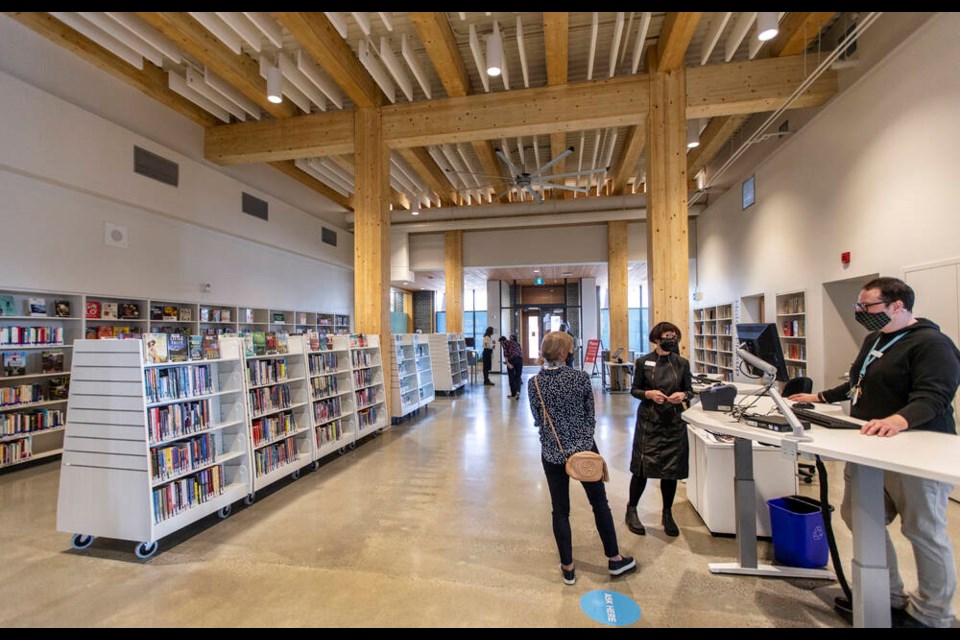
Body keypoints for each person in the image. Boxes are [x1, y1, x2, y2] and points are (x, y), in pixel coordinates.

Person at [788, 277, 960, 629]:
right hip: (867, 447)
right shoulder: (875, 339)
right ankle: (887, 594)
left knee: (922, 530)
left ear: (898, 306)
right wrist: (819, 398)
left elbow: (934, 395)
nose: (861, 313)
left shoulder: (932, 343)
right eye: (859, 306)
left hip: (914, 452)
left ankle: (933, 613)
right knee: (858, 517)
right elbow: (857, 382)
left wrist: (899, 419)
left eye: (868, 307)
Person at [527, 330, 636, 585]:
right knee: (599, 503)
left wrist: (557, 438)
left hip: (552, 452)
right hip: (585, 450)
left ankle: (568, 567)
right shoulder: (580, 378)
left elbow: (537, 418)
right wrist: (582, 440)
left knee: (560, 509)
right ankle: (614, 558)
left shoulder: (534, 383)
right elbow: (590, 415)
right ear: (565, 352)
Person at [625, 321, 694, 538]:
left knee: (671, 470)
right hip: (649, 422)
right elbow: (634, 390)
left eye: (674, 336)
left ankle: (667, 512)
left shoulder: (682, 363)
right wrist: (648, 394)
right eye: (667, 335)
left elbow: (689, 390)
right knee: (642, 467)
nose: (671, 339)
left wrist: (682, 396)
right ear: (657, 338)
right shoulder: (643, 362)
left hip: (674, 422)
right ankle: (632, 509)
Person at [499, 334, 524, 399]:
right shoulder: (515, 342)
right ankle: (518, 392)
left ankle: (513, 394)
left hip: (513, 360)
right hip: (520, 360)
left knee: (511, 377)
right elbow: (518, 352)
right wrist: (508, 361)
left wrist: (508, 363)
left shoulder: (504, 343)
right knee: (518, 376)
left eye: (500, 343)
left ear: (502, 341)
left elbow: (506, 354)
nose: (501, 345)